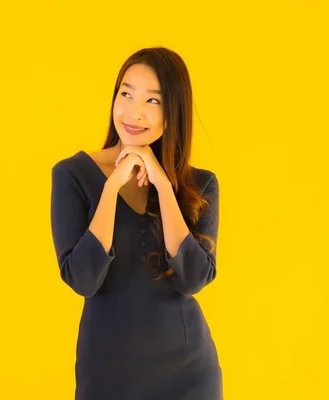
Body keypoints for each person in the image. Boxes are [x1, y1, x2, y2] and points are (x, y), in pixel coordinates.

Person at [49, 47, 222, 399]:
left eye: (153, 101)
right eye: (126, 94)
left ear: (173, 113)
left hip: (189, 377)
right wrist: (111, 187)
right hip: (108, 376)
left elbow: (193, 278)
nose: (134, 112)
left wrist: (162, 184)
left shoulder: (200, 185)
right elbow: (82, 278)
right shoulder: (72, 175)